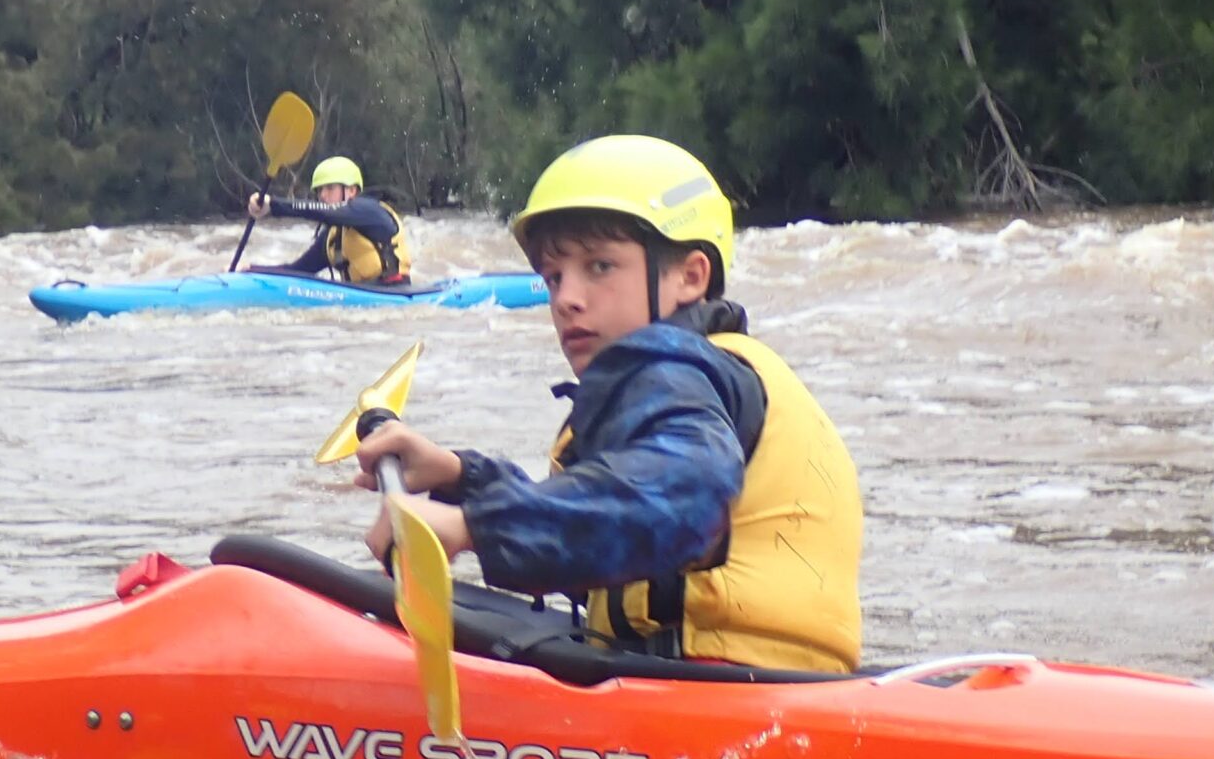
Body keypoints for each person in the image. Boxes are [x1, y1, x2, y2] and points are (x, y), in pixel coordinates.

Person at [355, 134, 863, 674]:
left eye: (599, 266)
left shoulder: (677, 373)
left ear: (690, 277)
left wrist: (471, 526)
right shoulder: (715, 372)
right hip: (763, 684)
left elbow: (678, 502)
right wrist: (460, 476)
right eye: (553, 276)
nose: (565, 298)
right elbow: (606, 515)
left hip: (724, 694)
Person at [246, 157, 413, 286]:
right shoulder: (332, 238)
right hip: (357, 300)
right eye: (320, 190)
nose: (323, 195)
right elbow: (297, 271)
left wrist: (273, 205)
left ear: (352, 191)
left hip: (395, 292)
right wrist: (250, 271)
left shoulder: (371, 211)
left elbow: (326, 213)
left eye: (330, 188)